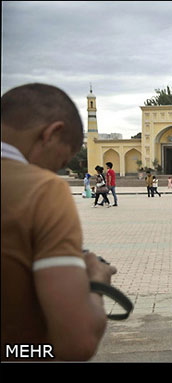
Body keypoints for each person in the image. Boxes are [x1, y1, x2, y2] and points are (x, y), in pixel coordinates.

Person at [1, 83, 117, 361]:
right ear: (52, 134)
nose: (52, 171)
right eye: (59, 162)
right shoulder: (41, 189)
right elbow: (76, 343)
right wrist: (97, 282)